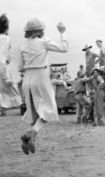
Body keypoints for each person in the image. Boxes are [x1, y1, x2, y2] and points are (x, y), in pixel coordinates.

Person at [18, 19, 68, 155]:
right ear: (39, 31)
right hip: (40, 75)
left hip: (27, 78)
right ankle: (31, 133)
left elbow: (19, 67)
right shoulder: (43, 42)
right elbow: (64, 48)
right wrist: (62, 33)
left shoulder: (22, 45)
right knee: (49, 109)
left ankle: (29, 140)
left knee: (33, 112)